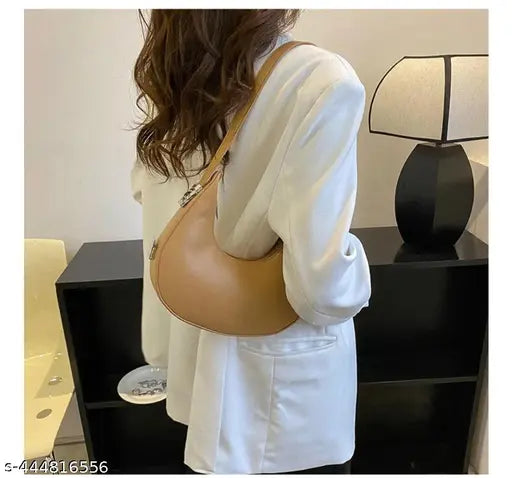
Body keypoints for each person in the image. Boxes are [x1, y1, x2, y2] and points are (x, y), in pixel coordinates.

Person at [131, 9, 371, 475]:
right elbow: (320, 289)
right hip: (280, 395)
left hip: (193, 358)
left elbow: (156, 213)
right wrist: (358, 271)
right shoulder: (319, 80)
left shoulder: (173, 78)